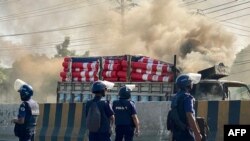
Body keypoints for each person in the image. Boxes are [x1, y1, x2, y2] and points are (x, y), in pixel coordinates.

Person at [170, 74, 202, 141]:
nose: (191, 83)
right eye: (190, 82)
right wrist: (197, 133)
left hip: (176, 133)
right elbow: (189, 115)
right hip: (186, 133)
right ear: (187, 84)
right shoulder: (187, 98)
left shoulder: (175, 97)